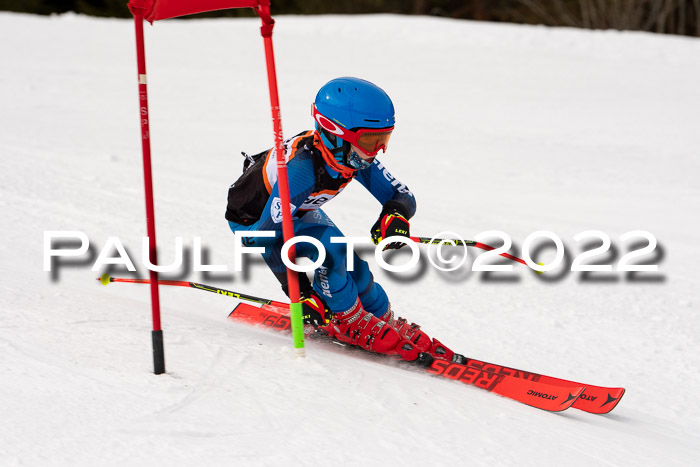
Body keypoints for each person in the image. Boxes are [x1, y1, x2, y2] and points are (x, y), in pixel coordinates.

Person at [226, 77, 463, 364]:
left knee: (354, 263)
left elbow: (402, 194)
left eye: (382, 140)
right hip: (254, 224)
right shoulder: (301, 172)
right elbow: (266, 239)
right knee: (333, 250)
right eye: (369, 140)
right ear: (334, 133)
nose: (375, 151)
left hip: (296, 210)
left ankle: (379, 317)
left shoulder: (350, 156)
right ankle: (347, 319)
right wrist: (300, 293)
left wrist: (395, 215)